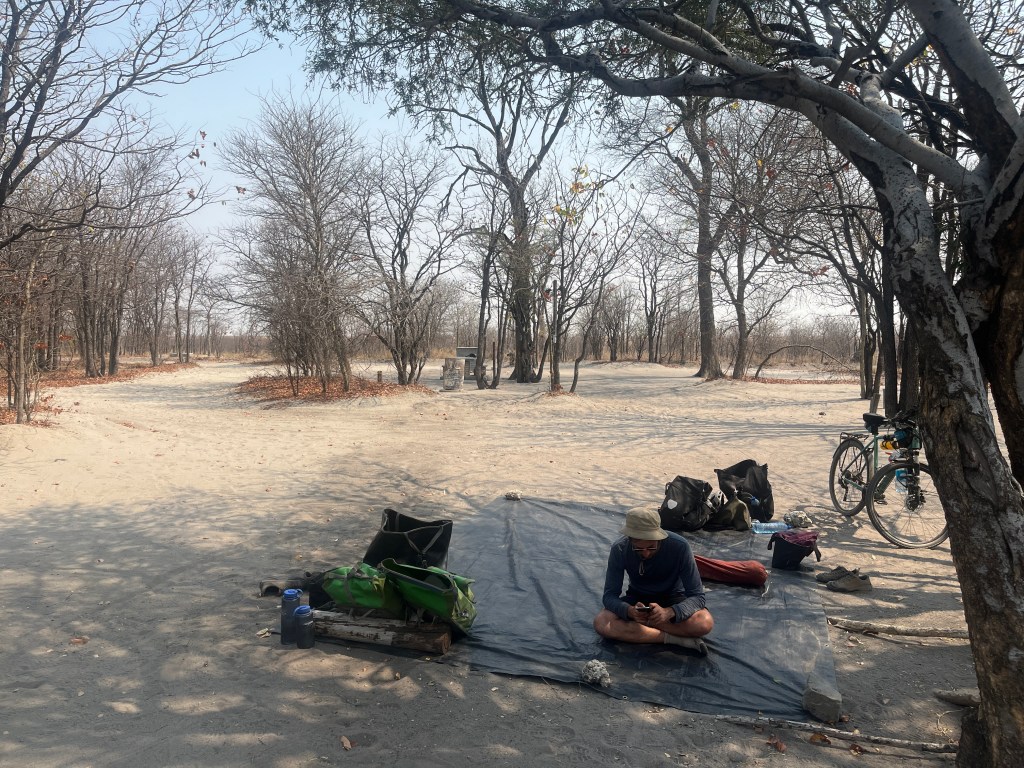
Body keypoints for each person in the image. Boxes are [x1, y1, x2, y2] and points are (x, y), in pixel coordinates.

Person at [593, 506, 713, 655]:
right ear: (630, 540)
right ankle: (676, 639)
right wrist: (629, 611)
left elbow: (697, 596)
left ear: (659, 537)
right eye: (639, 549)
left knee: (704, 622)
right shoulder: (620, 549)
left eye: (651, 547)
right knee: (601, 622)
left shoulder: (679, 546)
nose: (646, 553)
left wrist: (670, 612)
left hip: (673, 598)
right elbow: (609, 596)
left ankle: (642, 629)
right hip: (638, 600)